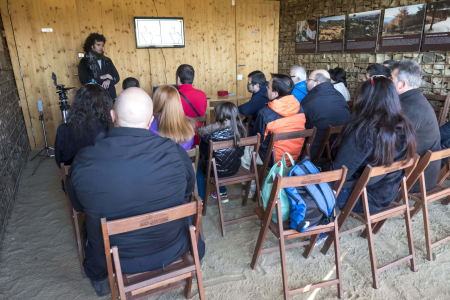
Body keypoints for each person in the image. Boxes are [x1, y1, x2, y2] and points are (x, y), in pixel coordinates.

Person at [66, 87, 204, 296]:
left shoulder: (83, 159)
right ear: (150, 121)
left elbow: (77, 205)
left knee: (89, 226)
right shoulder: (175, 152)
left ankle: (101, 279)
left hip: (112, 258)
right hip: (171, 247)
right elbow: (187, 191)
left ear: (112, 116)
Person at [329, 77, 417, 213]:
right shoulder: (404, 124)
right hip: (388, 192)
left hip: (361, 197)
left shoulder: (364, 129)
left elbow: (340, 172)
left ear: (366, 98)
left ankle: (322, 228)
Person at [246, 74, 306, 195]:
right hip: (294, 156)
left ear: (275, 93)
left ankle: (252, 187)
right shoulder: (300, 108)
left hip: (272, 159)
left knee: (244, 152)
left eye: (268, 87)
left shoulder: (265, 113)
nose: (266, 88)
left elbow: (258, 140)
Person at [391, 60, 441, 193]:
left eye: (391, 79)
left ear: (402, 84)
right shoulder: (417, 99)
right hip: (426, 175)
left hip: (415, 179)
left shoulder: (407, 108)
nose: (388, 82)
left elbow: (390, 145)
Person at [197, 101, 246, 201]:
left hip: (215, 170)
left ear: (218, 115)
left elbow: (204, 153)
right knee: (220, 161)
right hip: (234, 168)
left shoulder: (210, 135)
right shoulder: (241, 132)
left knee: (200, 166)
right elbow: (241, 152)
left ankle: (200, 200)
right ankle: (222, 193)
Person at [54, 84, 112, 167]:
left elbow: (60, 162)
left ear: (77, 104)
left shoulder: (63, 130)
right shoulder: (112, 130)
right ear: (106, 104)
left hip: (75, 177)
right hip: (105, 177)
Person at [301, 69, 350, 159]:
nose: (306, 81)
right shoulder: (339, 96)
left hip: (313, 151)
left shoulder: (309, 100)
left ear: (317, 83)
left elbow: (301, 125)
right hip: (338, 149)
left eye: (309, 79)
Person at [149, 85, 195, 150]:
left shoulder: (149, 124)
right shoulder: (189, 124)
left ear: (156, 101)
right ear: (177, 102)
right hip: (184, 159)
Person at [78, 33, 120, 101]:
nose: (101, 47)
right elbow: (84, 80)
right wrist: (102, 77)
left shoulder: (107, 60)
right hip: (94, 98)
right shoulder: (84, 61)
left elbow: (117, 77)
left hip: (110, 96)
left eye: (102, 45)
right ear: (92, 46)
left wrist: (108, 81)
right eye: (98, 45)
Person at [176, 64, 207, 145]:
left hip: (181, 139)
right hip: (199, 137)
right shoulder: (202, 94)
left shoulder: (174, 97)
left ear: (178, 79)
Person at [238, 70, 269, 135]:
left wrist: (231, 109)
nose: (247, 84)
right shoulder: (265, 86)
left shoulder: (261, 96)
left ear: (257, 85)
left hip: (258, 129)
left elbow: (245, 109)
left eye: (248, 83)